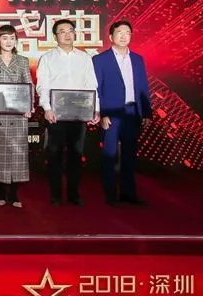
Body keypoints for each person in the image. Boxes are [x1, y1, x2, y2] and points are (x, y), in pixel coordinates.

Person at [36, 18, 100, 206]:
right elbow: (42, 86)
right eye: (62, 31)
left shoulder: (84, 58)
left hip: (79, 114)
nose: (67, 34)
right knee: (54, 155)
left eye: (70, 30)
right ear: (55, 36)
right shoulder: (47, 58)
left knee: (76, 154)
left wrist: (95, 108)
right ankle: (56, 195)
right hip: (56, 114)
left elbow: (91, 85)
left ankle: (74, 194)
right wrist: (47, 108)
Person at [92, 20, 151, 206]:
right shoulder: (100, 60)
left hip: (132, 112)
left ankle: (128, 193)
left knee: (129, 155)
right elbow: (96, 89)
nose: (124, 36)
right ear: (111, 37)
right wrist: (102, 113)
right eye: (120, 32)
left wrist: (146, 112)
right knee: (109, 155)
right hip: (111, 114)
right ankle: (110, 195)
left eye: (127, 32)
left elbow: (143, 88)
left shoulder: (138, 59)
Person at [0, 25, 33, 208]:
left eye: (12, 38)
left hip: (18, 114)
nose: (8, 41)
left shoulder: (23, 61)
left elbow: (29, 84)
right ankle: (1, 192)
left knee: (17, 154)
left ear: (16, 40)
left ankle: (15, 194)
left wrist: (28, 106)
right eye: (4, 38)